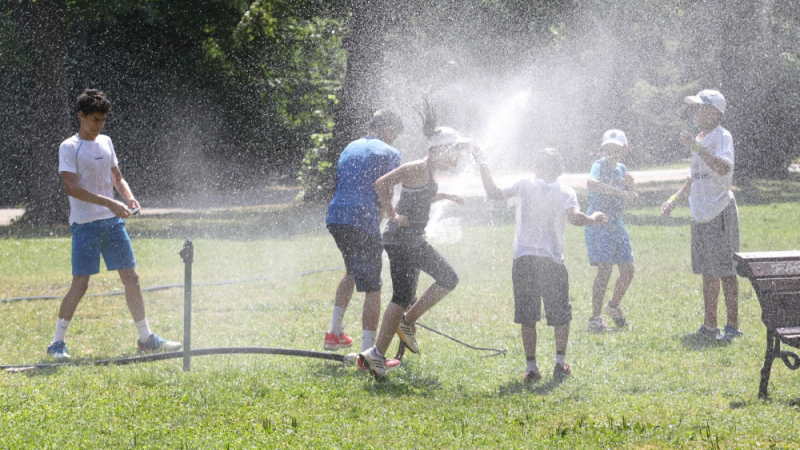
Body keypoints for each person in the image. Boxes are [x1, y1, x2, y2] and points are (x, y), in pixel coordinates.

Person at [46, 89, 181, 360]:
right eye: (94, 119)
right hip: (85, 225)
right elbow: (72, 187)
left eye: (103, 120)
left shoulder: (106, 142)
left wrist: (128, 198)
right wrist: (110, 203)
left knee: (131, 278)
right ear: (80, 115)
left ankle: (145, 338)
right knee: (80, 284)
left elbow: (117, 177)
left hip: (112, 223)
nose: (98, 125)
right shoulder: (69, 146)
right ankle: (57, 343)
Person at [475, 147, 607, 383]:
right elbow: (576, 219)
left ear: (536, 168)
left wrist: (483, 165)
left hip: (524, 260)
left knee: (528, 316)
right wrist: (594, 218)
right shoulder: (565, 191)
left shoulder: (525, 184)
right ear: (561, 170)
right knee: (560, 315)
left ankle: (531, 367)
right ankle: (559, 363)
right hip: (551, 262)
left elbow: (494, 193)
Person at [358, 110, 468, 379]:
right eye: (455, 153)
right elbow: (381, 184)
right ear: (440, 150)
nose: (457, 158)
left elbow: (419, 199)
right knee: (448, 278)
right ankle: (406, 323)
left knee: (402, 295)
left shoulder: (428, 173)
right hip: (404, 239)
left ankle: (377, 354)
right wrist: (393, 214)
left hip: (402, 240)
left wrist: (446, 195)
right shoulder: (418, 167)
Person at [324, 110, 404, 370]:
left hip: (336, 216)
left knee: (351, 271)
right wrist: (387, 219)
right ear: (388, 129)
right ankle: (367, 355)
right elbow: (385, 193)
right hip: (361, 219)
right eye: (394, 133)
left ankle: (334, 332)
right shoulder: (391, 153)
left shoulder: (351, 145)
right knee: (373, 288)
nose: (394, 139)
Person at [661, 89, 742, 343]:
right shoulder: (699, 136)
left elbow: (723, 167)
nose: (695, 111)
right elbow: (693, 178)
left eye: (700, 107)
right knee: (708, 271)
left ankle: (732, 326)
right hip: (700, 214)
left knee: (727, 271)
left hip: (719, 211)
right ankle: (710, 325)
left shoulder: (721, 136)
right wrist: (674, 199)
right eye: (694, 107)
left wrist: (695, 146)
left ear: (715, 112)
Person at [585, 129, 637, 333]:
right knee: (605, 269)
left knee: (628, 269)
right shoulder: (598, 165)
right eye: (608, 149)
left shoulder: (622, 168)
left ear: (624, 150)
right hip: (598, 223)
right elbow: (591, 183)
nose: (611, 153)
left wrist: (632, 190)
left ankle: (613, 306)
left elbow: (631, 196)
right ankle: (595, 319)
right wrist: (620, 192)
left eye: (615, 149)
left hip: (617, 223)